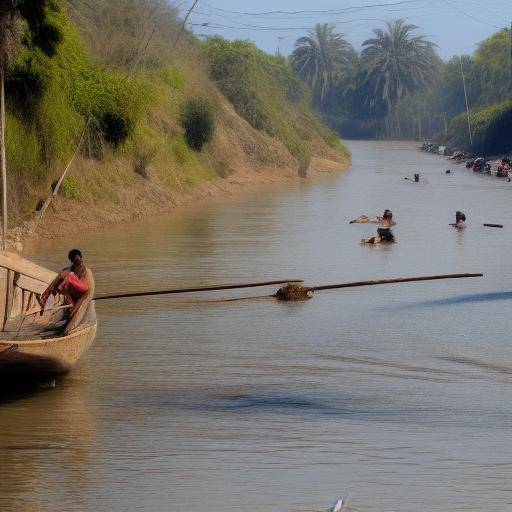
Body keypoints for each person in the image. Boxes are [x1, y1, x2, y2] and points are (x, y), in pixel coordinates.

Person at [39, 249, 95, 334]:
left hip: (83, 290)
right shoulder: (72, 268)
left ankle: (47, 298)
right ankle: (45, 299)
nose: (79, 262)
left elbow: (83, 287)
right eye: (76, 260)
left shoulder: (82, 269)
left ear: (81, 258)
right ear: (72, 261)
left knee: (68, 276)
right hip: (74, 291)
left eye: (79, 259)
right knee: (63, 277)